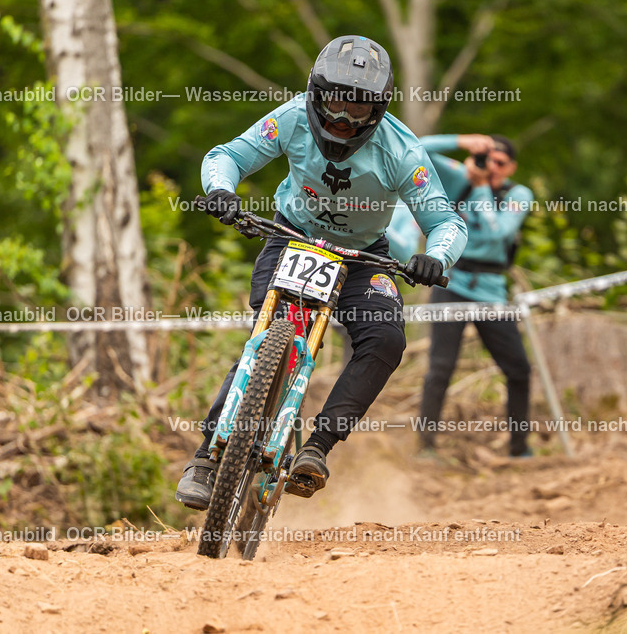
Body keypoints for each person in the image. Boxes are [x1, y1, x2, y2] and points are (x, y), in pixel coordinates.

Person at [176, 36, 467, 508]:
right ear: (315, 94)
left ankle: (317, 447)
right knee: (266, 335)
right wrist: (222, 190)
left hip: (361, 257)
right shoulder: (292, 117)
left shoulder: (403, 151)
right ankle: (207, 457)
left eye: (358, 109)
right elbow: (227, 156)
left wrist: (435, 256)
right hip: (291, 235)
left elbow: (446, 222)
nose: (343, 119)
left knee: (385, 339)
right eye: (335, 102)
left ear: (377, 111)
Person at [417, 133, 534, 457]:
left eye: (500, 162)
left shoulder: (518, 194)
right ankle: (425, 448)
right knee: (440, 367)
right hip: (452, 285)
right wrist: (462, 142)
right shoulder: (461, 177)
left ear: (511, 167)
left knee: (519, 369)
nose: (491, 167)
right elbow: (417, 147)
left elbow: (498, 233)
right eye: (487, 159)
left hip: (492, 293)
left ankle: (519, 448)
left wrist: (481, 187)